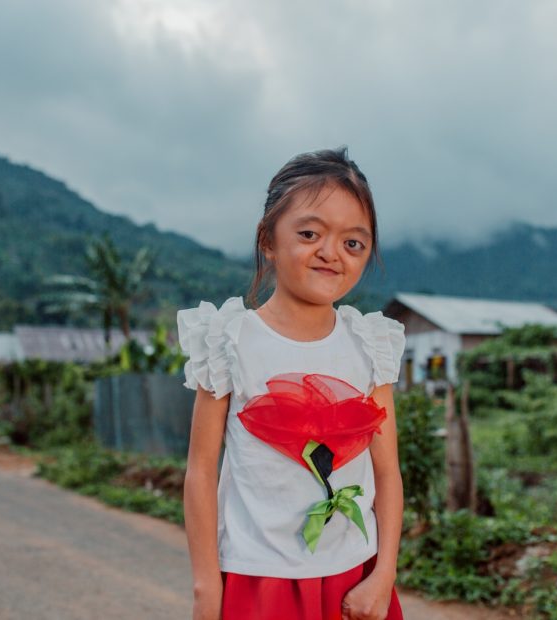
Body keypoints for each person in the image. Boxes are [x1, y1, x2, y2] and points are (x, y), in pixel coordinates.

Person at [178, 146, 407, 620]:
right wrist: (206, 588)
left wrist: (384, 576)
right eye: (309, 233)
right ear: (268, 240)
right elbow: (201, 471)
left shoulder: (370, 344)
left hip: (353, 576)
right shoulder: (228, 340)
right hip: (258, 581)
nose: (330, 253)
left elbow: (386, 472)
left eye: (353, 243)